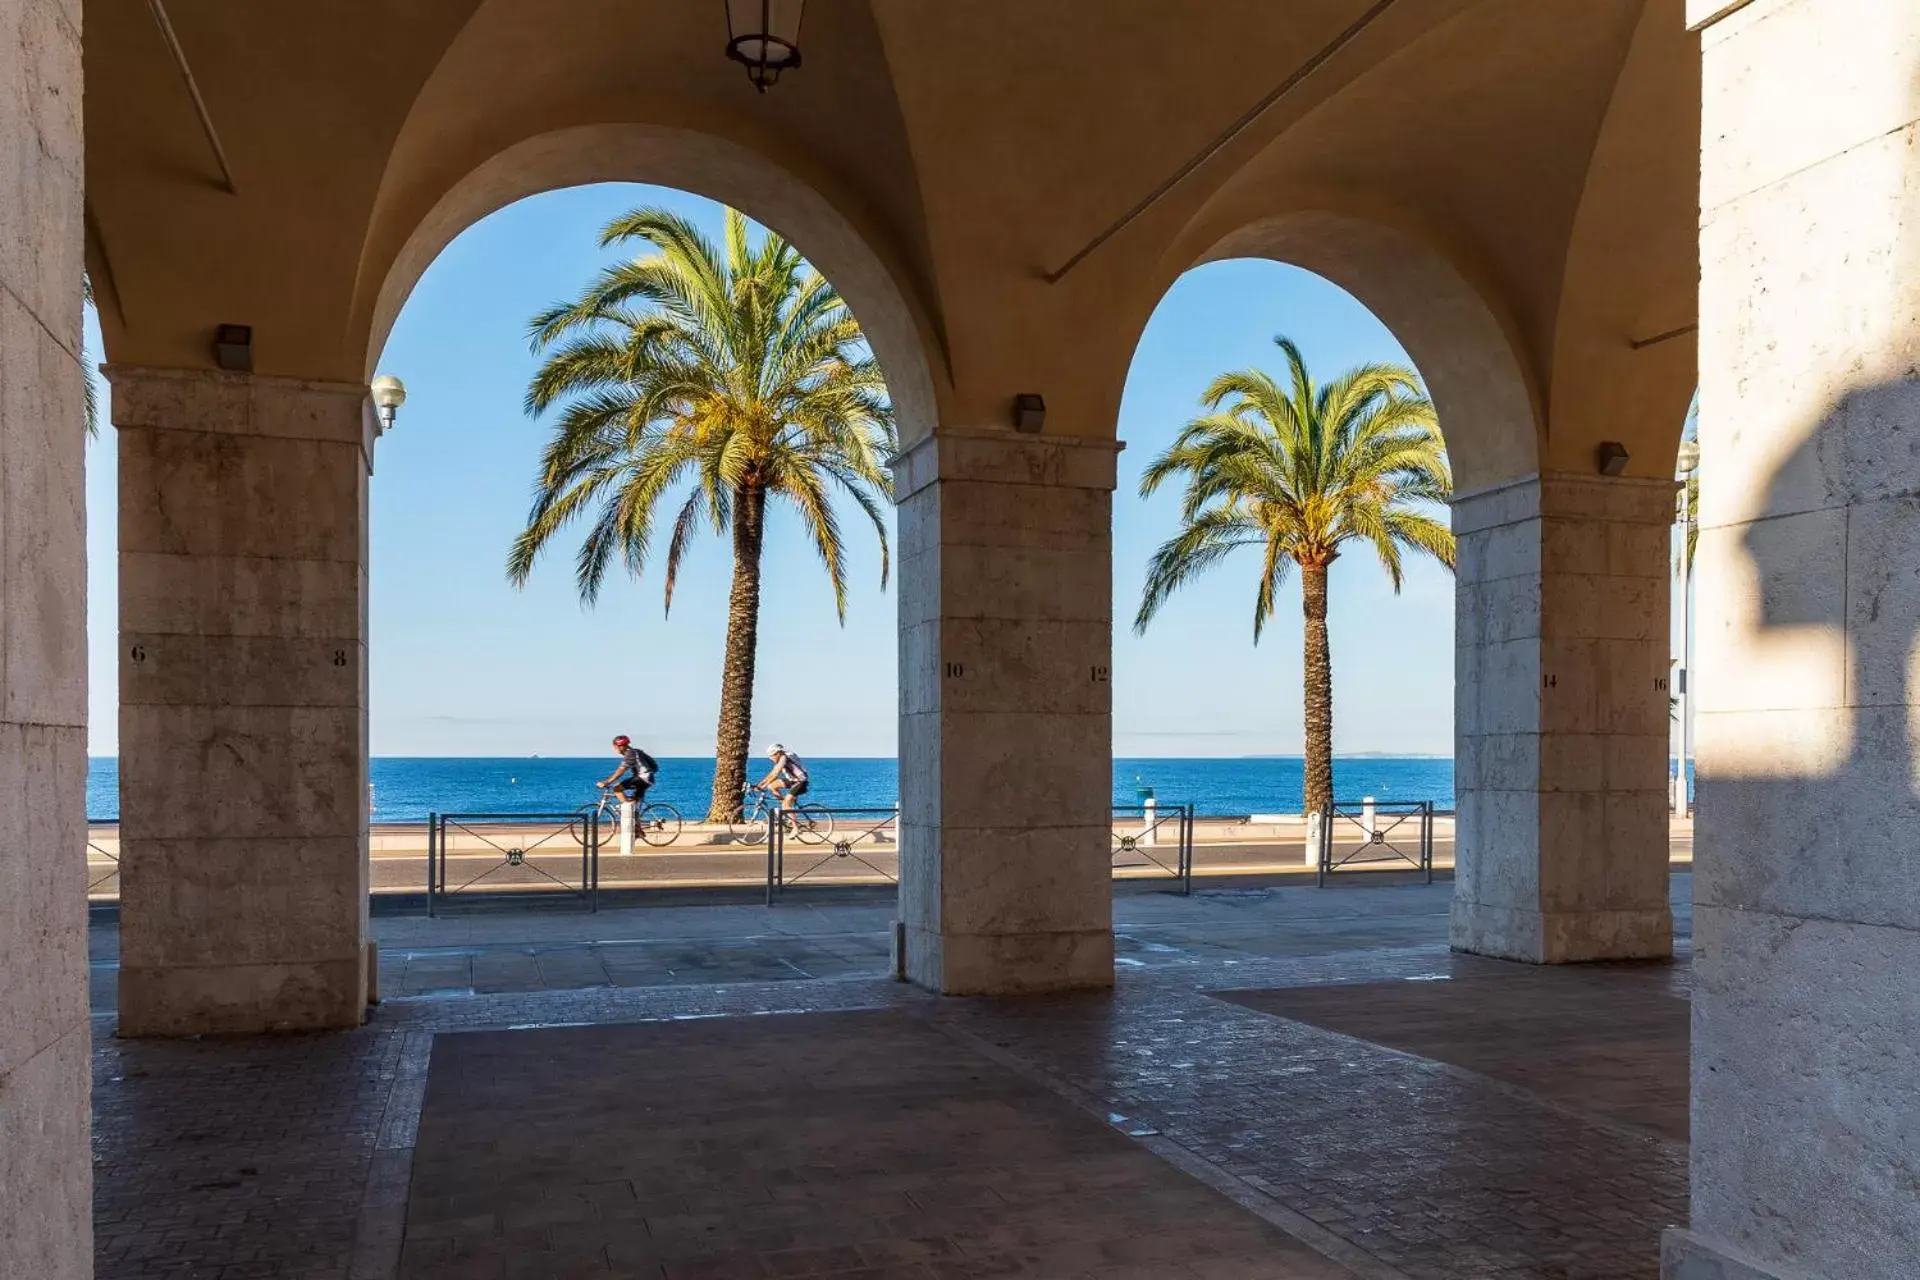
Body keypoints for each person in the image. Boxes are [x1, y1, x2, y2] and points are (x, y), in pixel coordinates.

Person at [599, 734, 658, 808]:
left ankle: (627, 811)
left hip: (643, 778)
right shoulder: (636, 752)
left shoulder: (630, 753)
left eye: (616, 746)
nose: (615, 748)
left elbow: (621, 770)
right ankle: (635, 816)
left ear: (620, 746)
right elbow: (654, 765)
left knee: (617, 789)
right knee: (634, 802)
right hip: (648, 778)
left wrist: (607, 782)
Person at [758, 743, 809, 812]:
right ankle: (785, 807)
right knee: (771, 786)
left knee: (786, 805)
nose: (771, 759)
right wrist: (760, 784)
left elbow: (776, 774)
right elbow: (772, 773)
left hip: (800, 782)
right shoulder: (782, 758)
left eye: (772, 756)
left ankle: (793, 821)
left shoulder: (784, 757)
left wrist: (763, 786)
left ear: (778, 753)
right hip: (792, 780)